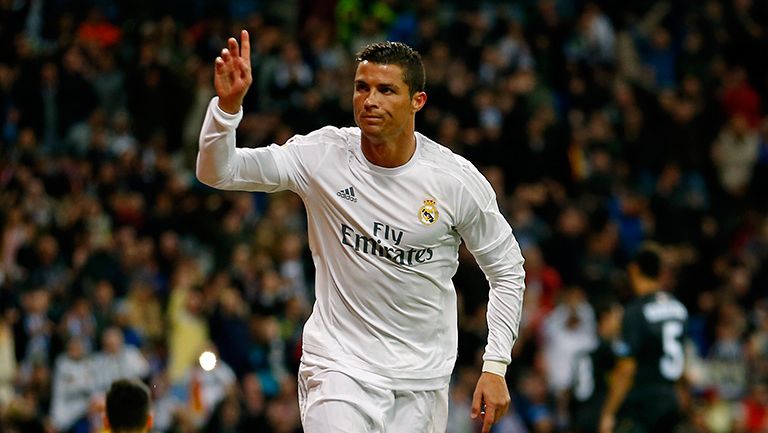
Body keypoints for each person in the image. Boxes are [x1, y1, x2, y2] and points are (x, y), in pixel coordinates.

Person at [196, 30, 526, 433]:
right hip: (338, 366)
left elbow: (507, 270)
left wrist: (495, 365)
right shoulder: (323, 156)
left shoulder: (453, 182)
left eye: (386, 90)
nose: (370, 100)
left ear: (417, 101)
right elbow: (219, 171)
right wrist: (227, 110)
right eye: (362, 87)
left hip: (420, 380)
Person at [599, 243, 688, 433]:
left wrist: (608, 414)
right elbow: (683, 361)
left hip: (643, 404)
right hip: (671, 399)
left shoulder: (635, 311)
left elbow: (626, 369)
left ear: (634, 269)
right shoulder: (679, 309)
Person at [569, 299, 622, 433]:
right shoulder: (609, 351)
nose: (621, 321)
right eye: (617, 316)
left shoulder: (584, 345)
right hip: (601, 418)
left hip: (581, 417)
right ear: (606, 318)